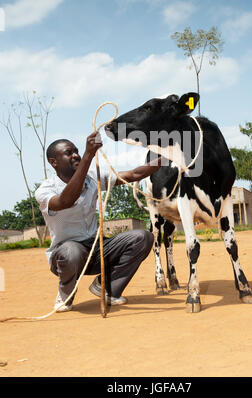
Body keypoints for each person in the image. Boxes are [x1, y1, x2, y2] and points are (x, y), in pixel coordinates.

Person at [35, 131, 161, 312]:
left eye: (77, 151)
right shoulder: (45, 190)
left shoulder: (92, 175)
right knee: (72, 250)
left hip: (97, 248)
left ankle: (107, 288)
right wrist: (88, 155)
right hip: (66, 256)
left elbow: (133, 174)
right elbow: (65, 201)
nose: (76, 155)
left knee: (143, 237)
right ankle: (65, 296)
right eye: (69, 152)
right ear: (53, 162)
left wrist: (163, 160)